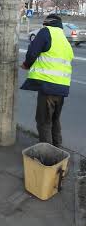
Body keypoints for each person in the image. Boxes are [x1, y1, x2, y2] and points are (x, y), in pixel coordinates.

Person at [20, 14, 74, 147]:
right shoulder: (64, 40)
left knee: (44, 121)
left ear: (47, 23)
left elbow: (33, 51)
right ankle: (57, 150)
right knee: (55, 120)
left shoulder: (46, 32)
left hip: (48, 86)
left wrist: (26, 65)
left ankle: (48, 156)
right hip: (62, 88)